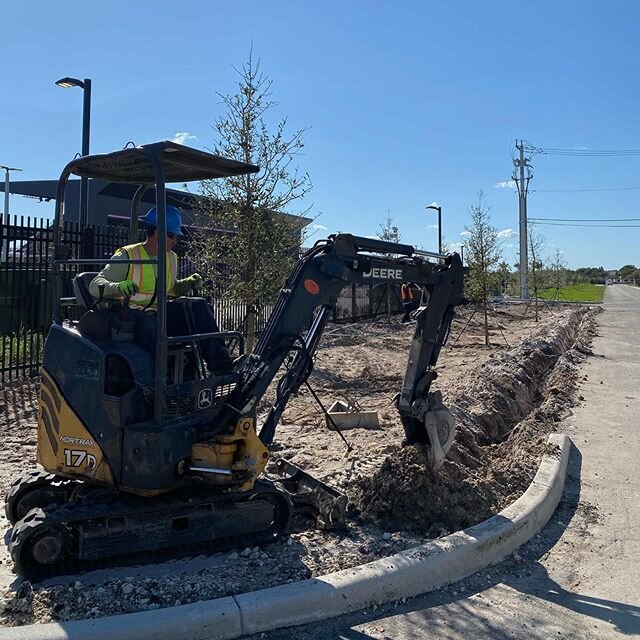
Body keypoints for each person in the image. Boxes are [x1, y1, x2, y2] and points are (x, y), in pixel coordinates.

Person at [89, 205, 233, 374]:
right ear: (158, 233)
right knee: (152, 326)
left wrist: (187, 283)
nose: (175, 241)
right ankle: (154, 384)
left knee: (200, 307)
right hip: (133, 314)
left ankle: (222, 368)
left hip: (160, 312)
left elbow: (171, 289)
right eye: (172, 235)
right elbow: (94, 285)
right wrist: (119, 287)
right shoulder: (128, 255)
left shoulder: (171, 257)